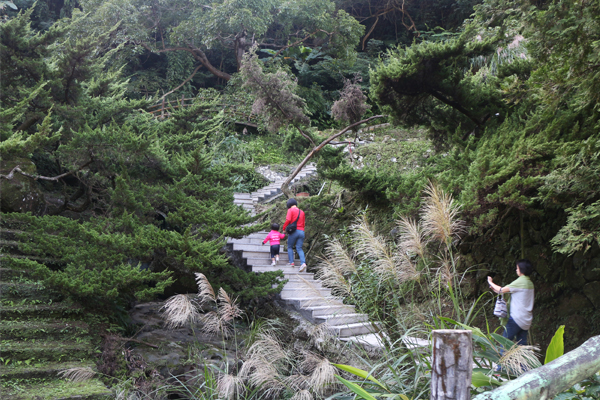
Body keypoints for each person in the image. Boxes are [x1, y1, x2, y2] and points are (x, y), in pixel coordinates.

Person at [487, 259, 535, 346]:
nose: (516, 270)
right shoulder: (529, 283)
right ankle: (523, 360)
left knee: (505, 344)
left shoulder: (521, 281)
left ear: (521, 269)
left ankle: (503, 359)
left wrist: (490, 281)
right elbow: (502, 291)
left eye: (517, 268)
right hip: (526, 320)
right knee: (522, 346)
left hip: (517, 318)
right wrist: (494, 288)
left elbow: (501, 289)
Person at [282, 198, 307, 272]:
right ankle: (303, 263)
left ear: (289, 205)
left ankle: (291, 263)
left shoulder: (290, 210)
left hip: (294, 232)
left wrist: (284, 228)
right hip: (302, 231)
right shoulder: (302, 212)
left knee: (290, 247)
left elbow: (288, 220)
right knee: (299, 248)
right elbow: (304, 223)